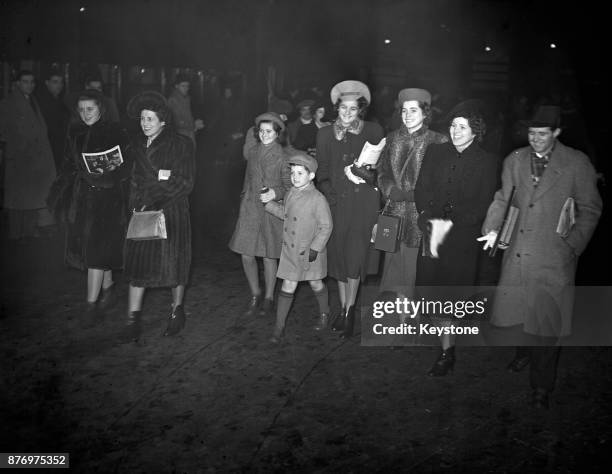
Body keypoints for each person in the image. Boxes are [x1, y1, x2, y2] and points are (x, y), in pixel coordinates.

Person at [479, 105, 602, 408]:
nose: (535, 139)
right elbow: (502, 198)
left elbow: (590, 208)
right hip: (518, 253)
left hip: (553, 256)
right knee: (521, 313)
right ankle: (523, 354)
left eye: (542, 134)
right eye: (532, 133)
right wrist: (493, 228)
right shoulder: (515, 160)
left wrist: (571, 245)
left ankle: (542, 386)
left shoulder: (576, 163)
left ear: (556, 133)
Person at [415, 99, 501, 376]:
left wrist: (456, 220)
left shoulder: (487, 162)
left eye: (462, 127)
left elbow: (484, 201)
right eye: (453, 126)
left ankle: (446, 352)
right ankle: (443, 339)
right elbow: (421, 189)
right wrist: (428, 212)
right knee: (432, 287)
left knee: (451, 293)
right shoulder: (435, 152)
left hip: (462, 239)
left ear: (475, 131)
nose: (455, 131)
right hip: (433, 232)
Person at [50, 89, 130, 325]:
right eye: (82, 109)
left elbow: (127, 164)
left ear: (101, 108)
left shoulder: (114, 131)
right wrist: (57, 194)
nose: (85, 114)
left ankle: (90, 306)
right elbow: (67, 164)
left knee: (95, 252)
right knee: (97, 249)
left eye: (90, 109)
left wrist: (111, 174)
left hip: (108, 200)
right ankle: (109, 289)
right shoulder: (75, 132)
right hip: (83, 198)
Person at [123, 91, 196, 341]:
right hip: (142, 211)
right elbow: (132, 180)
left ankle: (177, 312)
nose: (145, 123)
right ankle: (132, 320)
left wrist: (154, 194)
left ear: (163, 121)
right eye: (142, 119)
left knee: (174, 264)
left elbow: (185, 182)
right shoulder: (135, 146)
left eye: (150, 119)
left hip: (171, 212)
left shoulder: (181, 144)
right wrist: (134, 204)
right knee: (138, 265)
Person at [316, 80, 384, 338]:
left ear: (361, 111)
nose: (346, 114)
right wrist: (328, 191)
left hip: (363, 203)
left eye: (353, 109)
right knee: (340, 258)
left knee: (355, 257)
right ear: (337, 108)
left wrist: (368, 175)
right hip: (335, 204)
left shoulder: (374, 130)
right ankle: (345, 307)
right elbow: (322, 170)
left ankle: (349, 312)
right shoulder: (324, 134)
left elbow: (381, 169)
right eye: (343, 108)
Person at [376, 88, 448, 304]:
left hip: (420, 214)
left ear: (425, 113)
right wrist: (390, 190)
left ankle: (409, 317)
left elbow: (443, 180)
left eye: (413, 111)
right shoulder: (391, 139)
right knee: (390, 264)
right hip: (392, 211)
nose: (407, 116)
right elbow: (382, 172)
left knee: (413, 267)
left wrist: (419, 195)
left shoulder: (438, 141)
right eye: (404, 111)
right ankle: (389, 316)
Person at [264, 151, 333, 342]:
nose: (295, 177)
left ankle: (325, 313)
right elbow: (286, 214)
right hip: (291, 251)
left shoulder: (317, 198)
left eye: (300, 173)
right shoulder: (290, 193)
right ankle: (279, 328)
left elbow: (326, 226)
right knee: (288, 286)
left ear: (311, 176)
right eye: (293, 173)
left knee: (316, 283)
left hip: (309, 252)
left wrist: (315, 248)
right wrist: (269, 205)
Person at [229, 112, 291, 318]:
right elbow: (248, 177)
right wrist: (243, 198)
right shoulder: (253, 151)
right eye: (261, 131)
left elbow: (289, 185)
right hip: (249, 207)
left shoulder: (283, 156)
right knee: (246, 253)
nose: (264, 135)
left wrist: (277, 193)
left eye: (269, 132)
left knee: (267, 255)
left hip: (270, 208)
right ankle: (255, 293)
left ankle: (269, 297)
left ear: (277, 134)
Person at [0, 70, 56, 239]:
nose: (29, 85)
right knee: (17, 201)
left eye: (32, 82)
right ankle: (16, 237)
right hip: (19, 159)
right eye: (25, 81)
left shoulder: (32, 101)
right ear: (17, 83)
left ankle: (28, 234)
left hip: (33, 160)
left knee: (31, 198)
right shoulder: (7, 103)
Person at [35, 68, 70, 171]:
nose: (59, 85)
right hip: (47, 149)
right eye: (55, 82)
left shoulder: (61, 101)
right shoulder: (42, 102)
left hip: (59, 148)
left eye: (61, 82)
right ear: (47, 83)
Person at [167, 73, 205, 145]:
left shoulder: (186, 98)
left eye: (187, 86)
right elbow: (177, 122)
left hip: (188, 133)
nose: (186, 88)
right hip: (180, 136)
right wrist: (194, 125)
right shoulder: (173, 100)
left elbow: (187, 116)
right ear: (176, 86)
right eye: (183, 86)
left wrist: (195, 123)